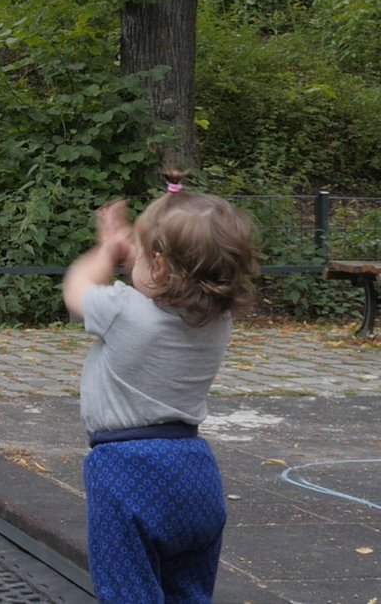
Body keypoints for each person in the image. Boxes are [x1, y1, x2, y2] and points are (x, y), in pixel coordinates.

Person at [62, 171, 259, 603]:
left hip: (126, 468)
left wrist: (108, 247)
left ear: (160, 265)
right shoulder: (217, 322)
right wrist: (145, 252)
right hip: (196, 472)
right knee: (187, 592)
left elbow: (75, 289)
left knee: (128, 592)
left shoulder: (122, 310)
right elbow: (175, 284)